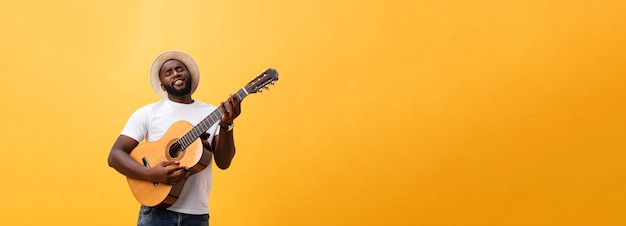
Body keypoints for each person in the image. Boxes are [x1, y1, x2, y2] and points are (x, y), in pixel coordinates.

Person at [108, 50, 239, 226]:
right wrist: (150, 173)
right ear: (162, 85)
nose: (175, 74)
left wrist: (227, 125)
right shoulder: (148, 113)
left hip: (196, 215)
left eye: (179, 69)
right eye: (168, 73)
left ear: (189, 75)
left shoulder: (212, 113)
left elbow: (224, 162)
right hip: (155, 213)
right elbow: (115, 156)